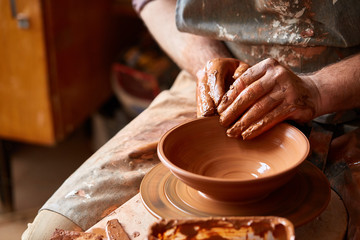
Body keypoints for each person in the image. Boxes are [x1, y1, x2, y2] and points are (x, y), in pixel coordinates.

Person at [23, 0, 360, 239]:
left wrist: (316, 90)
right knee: (46, 234)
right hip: (216, 77)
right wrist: (205, 63)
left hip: (346, 96)